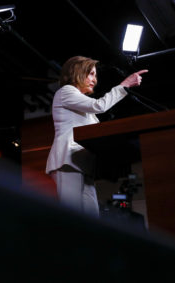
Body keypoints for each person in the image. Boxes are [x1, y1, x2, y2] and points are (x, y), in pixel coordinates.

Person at [45, 56, 148, 216]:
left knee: (91, 218)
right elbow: (98, 105)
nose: (95, 79)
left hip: (83, 164)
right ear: (77, 72)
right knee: (72, 216)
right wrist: (124, 85)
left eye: (95, 75)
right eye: (91, 74)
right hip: (67, 161)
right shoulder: (66, 92)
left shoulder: (82, 105)